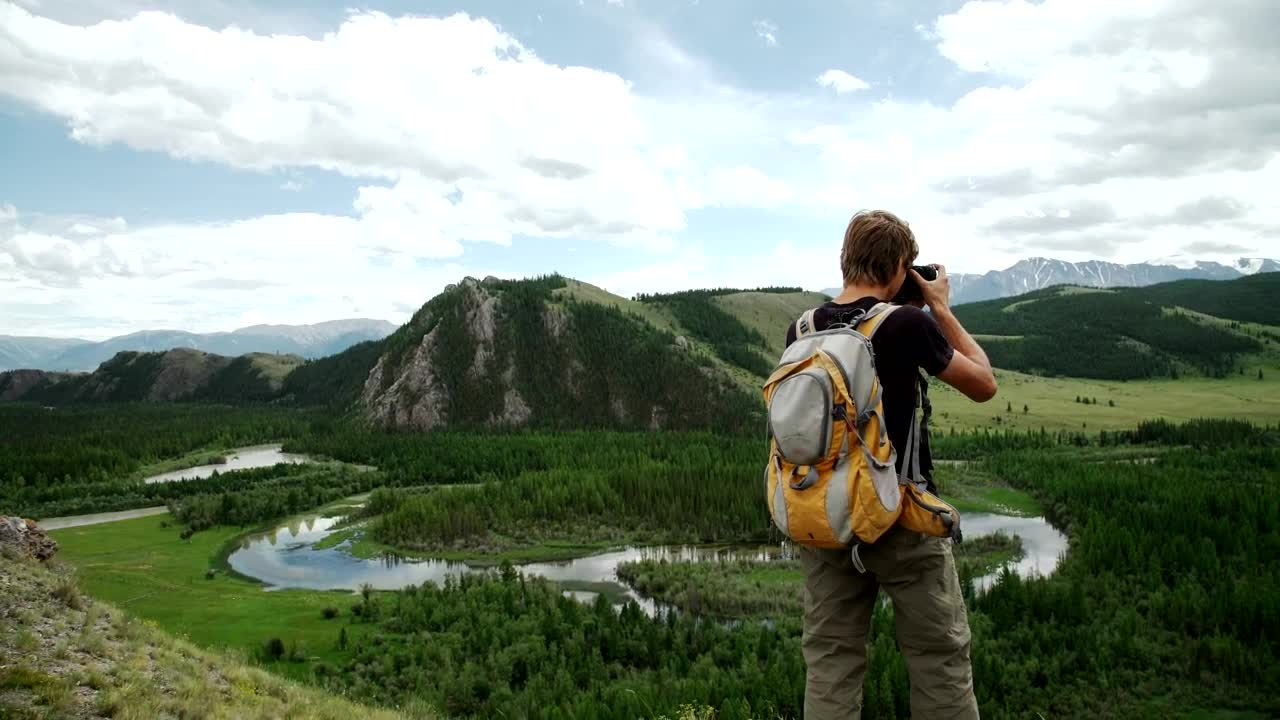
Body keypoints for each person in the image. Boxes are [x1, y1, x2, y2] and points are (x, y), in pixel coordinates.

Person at [784, 209, 997, 719]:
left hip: (827, 516)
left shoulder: (802, 330)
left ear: (845, 259)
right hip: (900, 516)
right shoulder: (906, 324)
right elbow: (984, 384)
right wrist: (939, 308)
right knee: (938, 658)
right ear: (901, 265)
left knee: (831, 662)